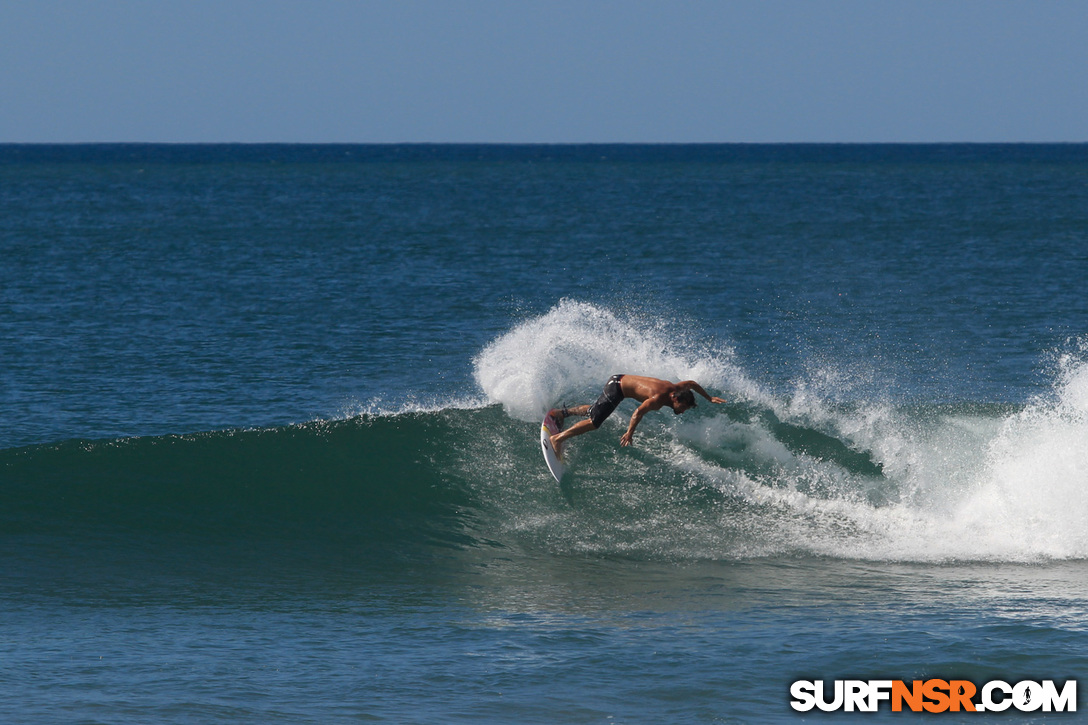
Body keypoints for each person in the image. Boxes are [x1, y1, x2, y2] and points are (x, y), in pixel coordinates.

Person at [549, 374, 726, 455]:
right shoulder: (657, 399)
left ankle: (561, 413)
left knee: (595, 410)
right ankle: (557, 439)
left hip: (619, 380)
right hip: (616, 387)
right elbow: (638, 412)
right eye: (683, 407)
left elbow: (692, 383)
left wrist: (709, 398)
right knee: (595, 422)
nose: (683, 411)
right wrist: (630, 433)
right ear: (675, 399)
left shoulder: (679, 389)